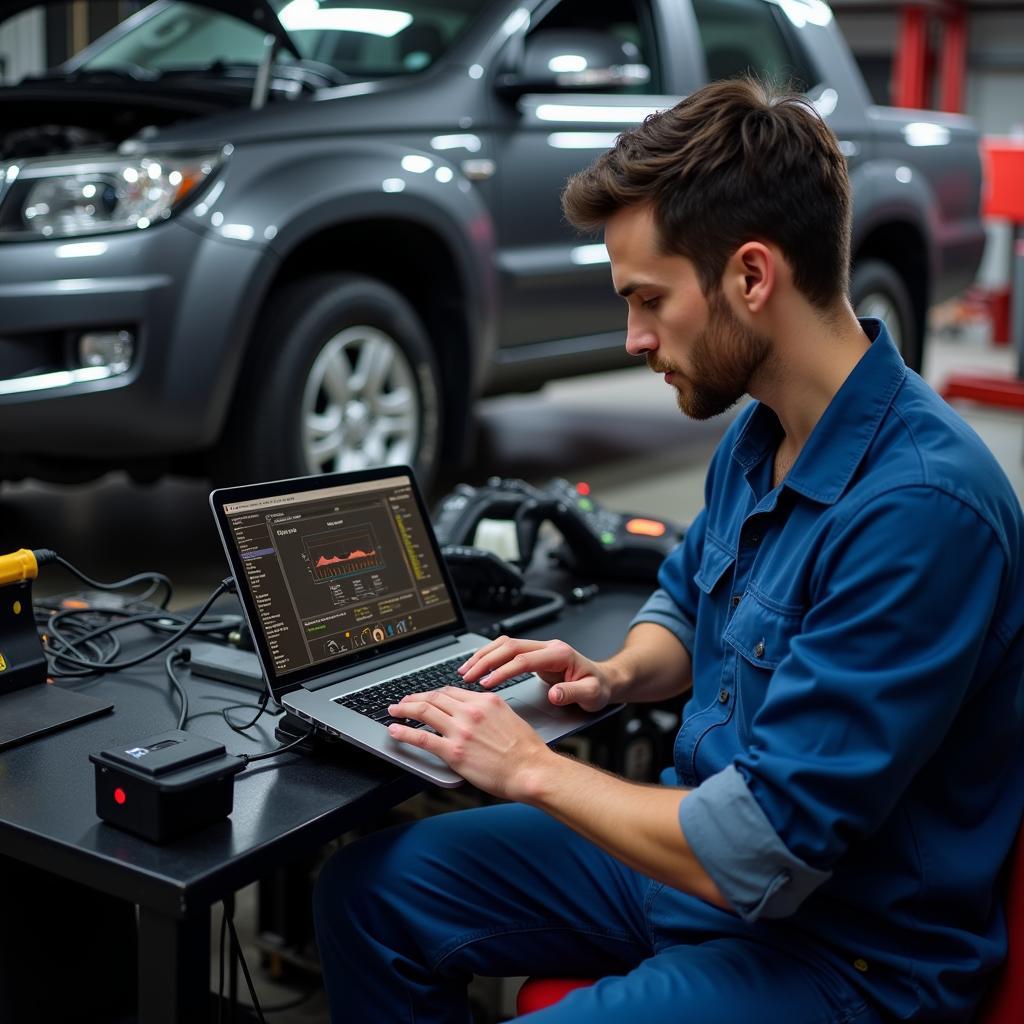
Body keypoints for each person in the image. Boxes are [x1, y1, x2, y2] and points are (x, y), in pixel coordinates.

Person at [313, 77, 1024, 1023]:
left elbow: (765, 847)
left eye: (648, 299)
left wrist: (530, 765)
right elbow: (690, 603)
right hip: (701, 873)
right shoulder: (762, 430)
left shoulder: (923, 511)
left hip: (844, 951)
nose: (634, 338)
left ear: (752, 277)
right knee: (373, 893)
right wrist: (611, 676)